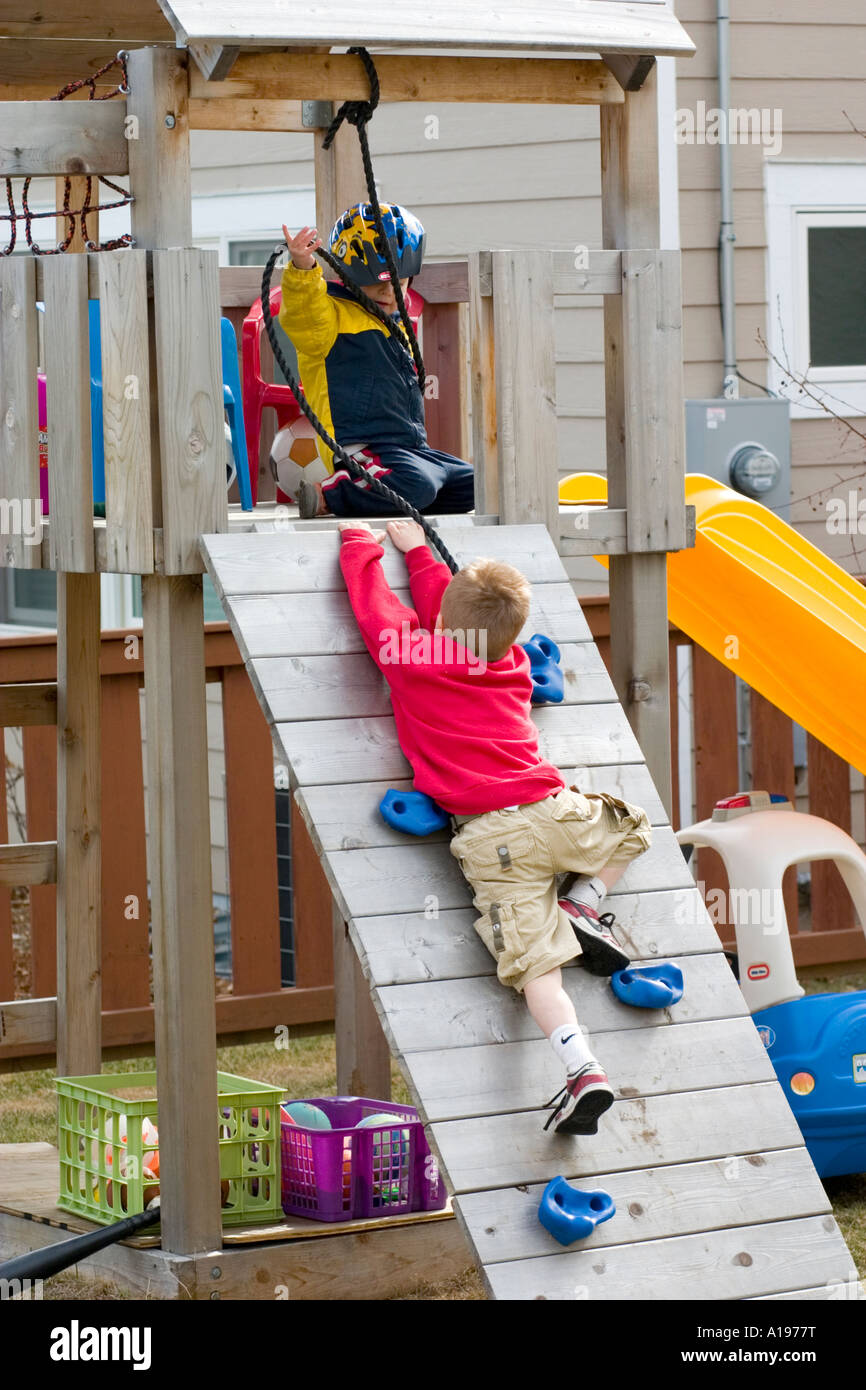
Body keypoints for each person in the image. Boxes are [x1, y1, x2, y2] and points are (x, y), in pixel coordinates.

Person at [337, 516, 653, 1136]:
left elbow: (378, 613)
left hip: (489, 836)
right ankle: (585, 905)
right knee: (631, 826)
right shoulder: (510, 664)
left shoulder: (414, 659)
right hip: (554, 812)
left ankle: (583, 1064)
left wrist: (365, 547)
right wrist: (422, 555)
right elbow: (461, 623)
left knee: (536, 969)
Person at [279, 202, 475, 519]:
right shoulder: (328, 318)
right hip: (362, 447)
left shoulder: (394, 326)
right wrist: (303, 268)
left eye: (398, 281)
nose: (388, 290)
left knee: (474, 485)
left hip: (409, 449)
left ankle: (397, 499)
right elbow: (304, 312)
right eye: (376, 281)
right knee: (416, 484)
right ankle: (329, 494)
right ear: (350, 276)